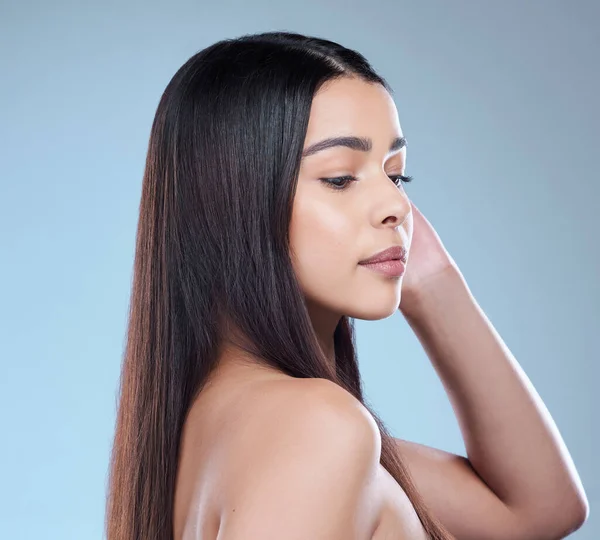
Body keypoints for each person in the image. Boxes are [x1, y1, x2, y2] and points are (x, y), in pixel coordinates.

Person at [105, 31, 589, 539]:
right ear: (232, 202)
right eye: (340, 178)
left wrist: (432, 282)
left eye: (396, 176)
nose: (398, 207)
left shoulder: (215, 428)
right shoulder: (314, 429)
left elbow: (540, 510)